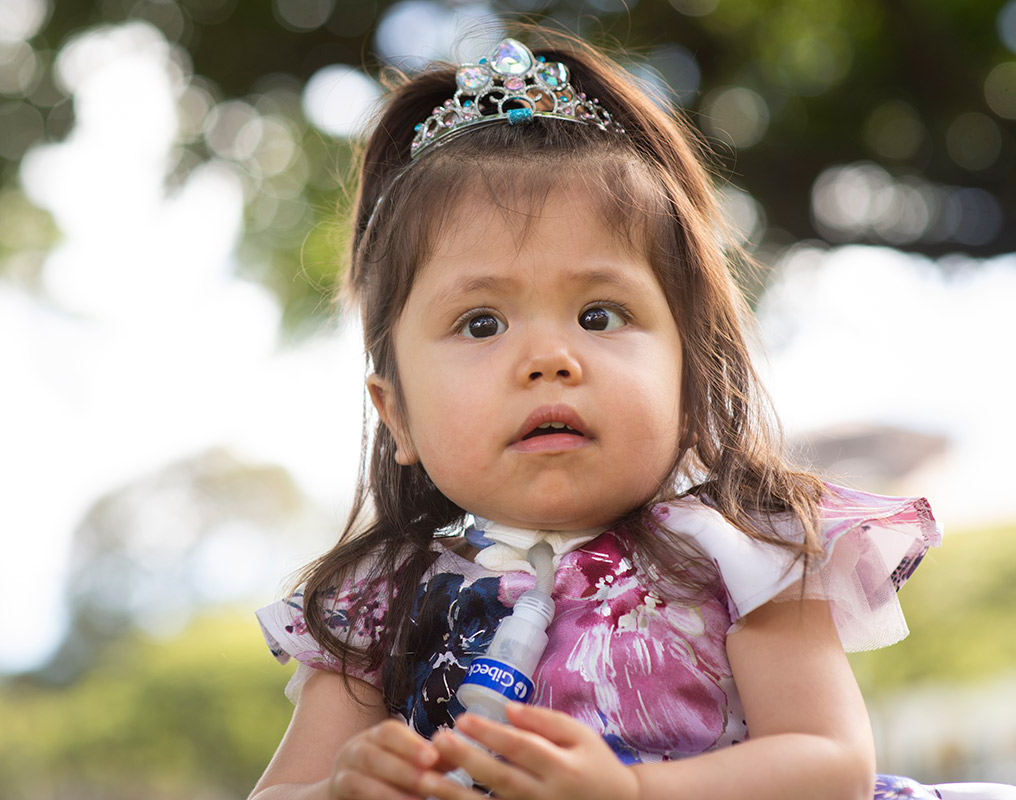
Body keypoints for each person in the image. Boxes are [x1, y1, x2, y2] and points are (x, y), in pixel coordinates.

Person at [249, 30, 1013, 800]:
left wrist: (637, 794)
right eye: (481, 324)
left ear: (689, 369)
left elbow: (828, 762)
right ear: (397, 414)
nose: (550, 359)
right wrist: (339, 792)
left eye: (601, 315)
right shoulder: (377, 605)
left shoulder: (738, 552)